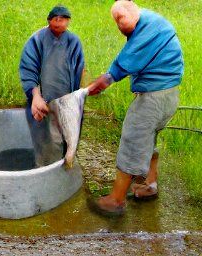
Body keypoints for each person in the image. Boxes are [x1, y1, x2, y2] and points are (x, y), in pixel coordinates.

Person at [88, 0, 184, 214]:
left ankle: (116, 200)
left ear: (134, 15)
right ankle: (149, 185)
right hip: (169, 94)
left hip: (154, 96)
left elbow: (125, 61)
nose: (125, 33)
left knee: (133, 138)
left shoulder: (147, 28)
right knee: (148, 137)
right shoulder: (152, 21)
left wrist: (104, 80)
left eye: (126, 29)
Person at [19, 5, 84, 166]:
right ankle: (43, 170)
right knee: (44, 139)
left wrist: (76, 100)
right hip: (43, 100)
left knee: (67, 137)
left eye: (63, 20)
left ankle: (64, 166)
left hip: (66, 100)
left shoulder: (73, 42)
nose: (59, 22)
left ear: (68, 22)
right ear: (49, 20)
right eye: (55, 19)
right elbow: (28, 70)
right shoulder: (37, 40)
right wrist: (36, 96)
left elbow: (79, 71)